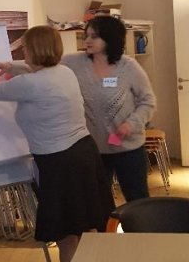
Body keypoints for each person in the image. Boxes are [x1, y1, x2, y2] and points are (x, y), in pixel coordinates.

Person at [0, 25, 114, 262]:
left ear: (35, 49)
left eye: (25, 48)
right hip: (84, 153)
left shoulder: (30, 84)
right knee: (82, 228)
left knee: (66, 234)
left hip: (60, 162)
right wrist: (12, 66)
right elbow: (37, 72)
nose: (23, 52)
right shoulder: (64, 72)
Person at [62, 16, 156, 202]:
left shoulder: (128, 67)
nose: (87, 41)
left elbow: (148, 101)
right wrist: (10, 66)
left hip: (128, 148)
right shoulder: (75, 62)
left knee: (138, 200)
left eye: (94, 36)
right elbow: (43, 64)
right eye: (87, 36)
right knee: (97, 202)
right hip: (94, 150)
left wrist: (132, 124)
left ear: (110, 38)